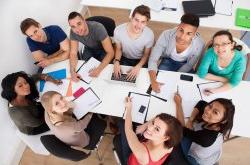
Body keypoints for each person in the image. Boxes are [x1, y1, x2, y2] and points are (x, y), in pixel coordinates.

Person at [148, 13, 204, 93]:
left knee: (186, 89)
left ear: (194, 34)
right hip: (168, 61)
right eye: (181, 30)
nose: (182, 37)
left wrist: (175, 77)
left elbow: (190, 64)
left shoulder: (199, 43)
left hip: (185, 64)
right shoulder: (166, 35)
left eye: (189, 33)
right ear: (178, 26)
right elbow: (153, 59)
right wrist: (153, 81)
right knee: (161, 86)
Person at [174, 93, 235, 165]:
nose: (208, 111)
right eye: (210, 106)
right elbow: (201, 103)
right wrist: (190, 120)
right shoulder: (221, 124)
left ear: (224, 120)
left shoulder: (206, 138)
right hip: (212, 156)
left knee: (177, 138)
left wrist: (178, 104)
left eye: (215, 112)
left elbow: (181, 129)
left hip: (197, 161)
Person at [122, 97, 183, 165]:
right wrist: (144, 126)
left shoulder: (143, 154)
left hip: (132, 159)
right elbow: (158, 117)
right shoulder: (170, 144)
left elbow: (128, 130)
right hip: (144, 147)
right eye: (153, 123)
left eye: (157, 129)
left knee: (122, 121)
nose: (150, 127)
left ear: (166, 137)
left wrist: (129, 108)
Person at [68, 11, 114, 81]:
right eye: (73, 27)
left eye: (79, 24)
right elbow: (73, 53)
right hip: (89, 48)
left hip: (104, 49)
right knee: (85, 71)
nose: (77, 29)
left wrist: (98, 69)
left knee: (103, 73)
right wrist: (72, 71)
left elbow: (110, 52)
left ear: (84, 20)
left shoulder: (98, 28)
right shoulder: (73, 32)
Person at [197, 30, 247, 95]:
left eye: (224, 44)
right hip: (210, 80)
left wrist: (214, 91)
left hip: (226, 86)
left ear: (232, 45)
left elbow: (234, 82)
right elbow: (201, 73)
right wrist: (224, 80)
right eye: (216, 44)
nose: (220, 48)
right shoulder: (210, 52)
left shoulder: (240, 59)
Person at [113, 5, 154, 80]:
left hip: (140, 60)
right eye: (136, 20)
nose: (138, 25)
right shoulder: (118, 30)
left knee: (141, 81)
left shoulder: (149, 34)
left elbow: (146, 54)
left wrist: (138, 66)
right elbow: (118, 49)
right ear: (131, 18)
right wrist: (116, 61)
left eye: (143, 22)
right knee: (119, 79)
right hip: (124, 58)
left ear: (147, 23)